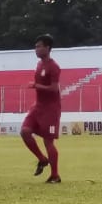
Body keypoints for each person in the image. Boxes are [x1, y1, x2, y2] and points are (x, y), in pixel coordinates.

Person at [21, 34, 63, 183]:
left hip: (51, 109)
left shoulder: (54, 67)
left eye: (39, 46)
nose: (36, 49)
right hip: (38, 106)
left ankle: (55, 175)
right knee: (25, 131)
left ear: (48, 48)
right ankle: (42, 159)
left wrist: (36, 85)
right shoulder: (39, 65)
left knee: (48, 142)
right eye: (35, 46)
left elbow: (53, 89)